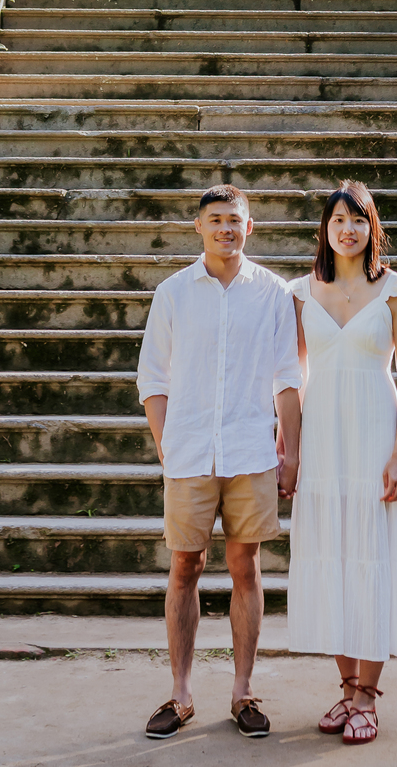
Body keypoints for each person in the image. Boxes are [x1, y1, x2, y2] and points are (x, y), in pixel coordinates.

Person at [137, 185, 302, 740]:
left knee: (245, 567)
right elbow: (153, 377)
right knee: (185, 567)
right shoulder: (174, 293)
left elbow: (287, 377)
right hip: (188, 451)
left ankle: (243, 691)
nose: (226, 229)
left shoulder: (274, 293)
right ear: (199, 226)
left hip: (251, 450)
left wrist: (290, 452)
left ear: (249, 227)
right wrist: (165, 441)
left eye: (235, 219)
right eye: (216, 220)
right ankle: (180, 693)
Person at [287, 181, 397, 746]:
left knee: (371, 558)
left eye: (359, 220)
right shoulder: (299, 292)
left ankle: (369, 697)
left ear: (373, 229)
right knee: (333, 559)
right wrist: (289, 450)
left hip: (373, 438)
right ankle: (346, 690)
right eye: (339, 219)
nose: (348, 229)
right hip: (322, 442)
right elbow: (291, 380)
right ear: (324, 228)